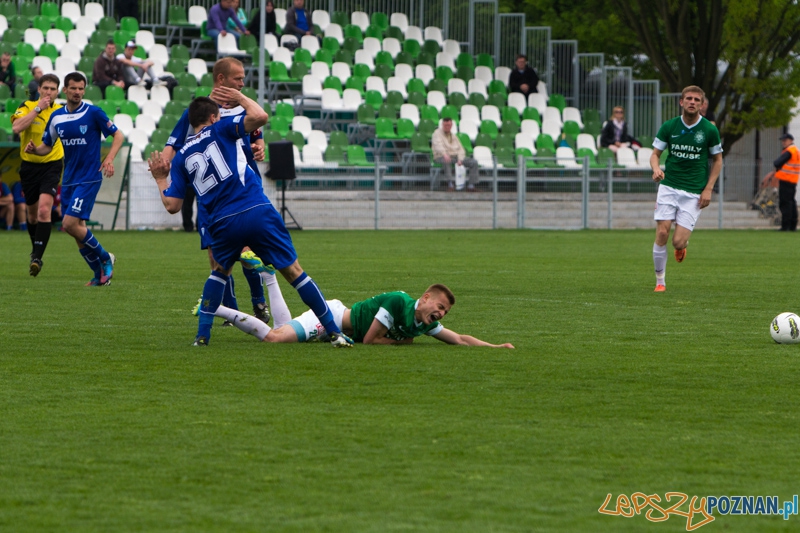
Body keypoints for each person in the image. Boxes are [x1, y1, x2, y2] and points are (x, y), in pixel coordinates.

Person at [148, 92, 353, 348]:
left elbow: (172, 206)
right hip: (255, 209)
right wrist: (239, 97)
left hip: (221, 222)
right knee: (294, 272)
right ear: (213, 117)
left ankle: (202, 337)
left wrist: (159, 179)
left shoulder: (180, 157)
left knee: (219, 273)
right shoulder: (222, 127)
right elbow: (260, 116)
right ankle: (334, 332)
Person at [163, 57, 268, 324]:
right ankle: (233, 313)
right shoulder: (199, 112)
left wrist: (259, 147)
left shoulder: (245, 107)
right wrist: (164, 165)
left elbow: (257, 136)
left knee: (248, 250)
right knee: (216, 255)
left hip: (244, 189)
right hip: (211, 194)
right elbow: (173, 144)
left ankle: (258, 303)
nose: (243, 84)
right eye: (238, 79)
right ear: (221, 80)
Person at [205, 267, 515, 347]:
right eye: (441, 306)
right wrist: (402, 342)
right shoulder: (398, 301)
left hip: (337, 325)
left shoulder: (424, 323)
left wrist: (495, 346)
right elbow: (370, 341)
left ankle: (269, 276)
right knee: (274, 339)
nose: (442, 314)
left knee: (279, 334)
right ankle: (213, 307)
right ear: (425, 298)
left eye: (445, 312)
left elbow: (459, 339)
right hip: (333, 318)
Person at [25, 72, 124, 286]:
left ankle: (106, 258)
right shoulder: (57, 117)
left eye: (81, 88)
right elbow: (46, 147)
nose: (78, 92)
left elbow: (118, 135)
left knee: (69, 224)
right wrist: (34, 150)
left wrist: (109, 157)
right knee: (76, 230)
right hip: (68, 179)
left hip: (89, 177)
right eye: (74, 88)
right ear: (65, 90)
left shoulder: (93, 112)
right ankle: (99, 275)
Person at [649, 85, 723, 292]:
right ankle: (660, 281)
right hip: (669, 187)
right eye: (688, 99)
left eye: (696, 100)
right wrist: (656, 169)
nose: (692, 102)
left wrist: (708, 188)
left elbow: (717, 160)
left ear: (702, 105)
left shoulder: (709, 129)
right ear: (681, 102)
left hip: (693, 192)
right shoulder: (669, 126)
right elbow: (655, 154)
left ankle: (682, 247)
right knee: (662, 233)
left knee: (677, 242)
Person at [11, 73, 64, 276]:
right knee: (32, 215)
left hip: (52, 164)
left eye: (53, 89)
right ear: (39, 89)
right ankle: (36, 252)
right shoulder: (27, 106)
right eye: (46, 88)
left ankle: (37, 258)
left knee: (44, 211)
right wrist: (37, 109)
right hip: (29, 166)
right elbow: (16, 127)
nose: (49, 92)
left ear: (58, 91)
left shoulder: (61, 111)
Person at [763, 133, 799, 232]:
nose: (783, 142)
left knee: (785, 203)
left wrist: (777, 168)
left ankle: (785, 226)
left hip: (786, 180)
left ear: (791, 141)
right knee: (792, 203)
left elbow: (777, 162)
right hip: (793, 180)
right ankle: (792, 225)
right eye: (783, 141)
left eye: (785, 140)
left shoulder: (789, 151)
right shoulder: (796, 151)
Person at [432, 117, 479, 191]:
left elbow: (461, 149)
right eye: (446, 125)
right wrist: (444, 154)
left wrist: (460, 159)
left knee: (473, 162)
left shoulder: (454, 136)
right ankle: (450, 184)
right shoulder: (436, 133)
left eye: (449, 125)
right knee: (446, 160)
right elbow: (438, 146)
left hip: (455, 157)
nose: (447, 127)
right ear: (442, 125)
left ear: (451, 125)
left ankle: (471, 185)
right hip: (440, 156)